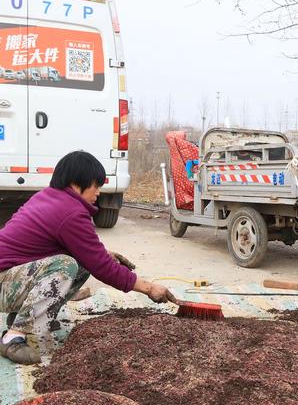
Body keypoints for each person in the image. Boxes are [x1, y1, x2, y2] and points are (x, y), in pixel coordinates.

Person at [0, 151, 176, 365]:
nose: (99, 192)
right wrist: (149, 288)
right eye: (96, 185)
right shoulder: (70, 211)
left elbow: (87, 254)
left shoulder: (50, 197)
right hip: (5, 283)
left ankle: (25, 316)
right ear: (77, 182)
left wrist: (104, 255)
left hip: (11, 278)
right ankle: (13, 337)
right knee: (66, 265)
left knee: (80, 262)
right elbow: (102, 267)